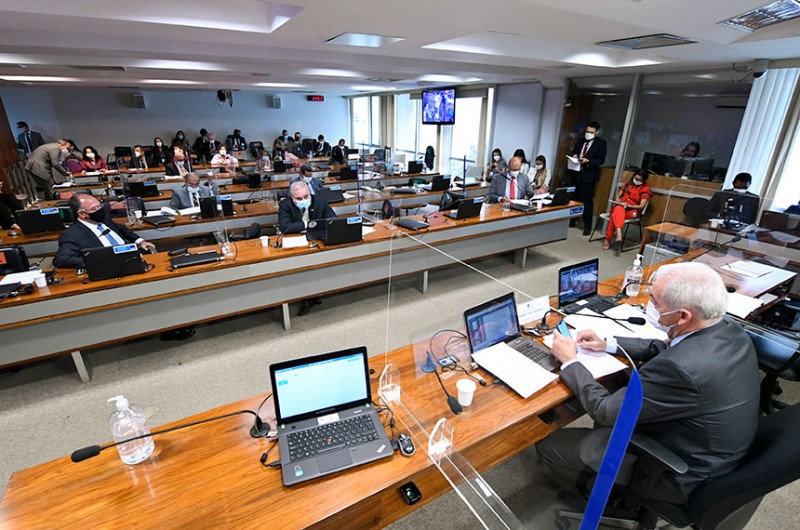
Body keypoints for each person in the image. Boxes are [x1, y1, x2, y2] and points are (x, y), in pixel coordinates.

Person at [539, 262, 759, 505]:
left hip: (680, 471)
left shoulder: (680, 369)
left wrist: (570, 362)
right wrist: (607, 344)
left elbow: (605, 411)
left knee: (552, 446)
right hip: (714, 448)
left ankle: (602, 500)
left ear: (683, 316)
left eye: (655, 302)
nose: (649, 306)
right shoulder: (728, 328)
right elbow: (669, 348)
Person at [278, 180, 336, 316]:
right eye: (299, 199)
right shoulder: (285, 205)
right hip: (297, 242)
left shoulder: (320, 201)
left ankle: (315, 293)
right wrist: (308, 225)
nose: (303, 200)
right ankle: (306, 297)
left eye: (306, 196)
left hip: (317, 240)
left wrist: (314, 226)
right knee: (302, 266)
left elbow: (333, 219)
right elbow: (285, 227)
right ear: (292, 198)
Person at [53, 193, 155, 269]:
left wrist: (140, 241)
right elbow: (61, 260)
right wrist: (100, 260)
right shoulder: (72, 235)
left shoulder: (104, 219)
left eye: (99, 206)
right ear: (82, 214)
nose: (100, 210)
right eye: (94, 208)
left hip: (133, 259)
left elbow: (121, 228)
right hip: (111, 268)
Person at [570, 121, 608, 235]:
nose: (588, 134)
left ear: (597, 132)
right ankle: (571, 221)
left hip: (589, 176)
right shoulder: (580, 141)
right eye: (587, 131)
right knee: (573, 199)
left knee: (587, 202)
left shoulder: (601, 144)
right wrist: (575, 156)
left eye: (591, 132)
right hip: (577, 174)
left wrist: (589, 161)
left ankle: (587, 226)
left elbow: (601, 160)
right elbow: (574, 153)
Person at [603, 169, 652, 251]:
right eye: (636, 179)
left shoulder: (645, 189)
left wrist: (629, 206)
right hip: (621, 207)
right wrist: (618, 200)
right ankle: (619, 232)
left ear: (644, 180)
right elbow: (618, 195)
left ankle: (608, 239)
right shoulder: (628, 184)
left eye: (639, 180)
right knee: (618, 209)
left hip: (632, 211)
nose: (637, 181)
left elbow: (641, 206)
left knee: (615, 215)